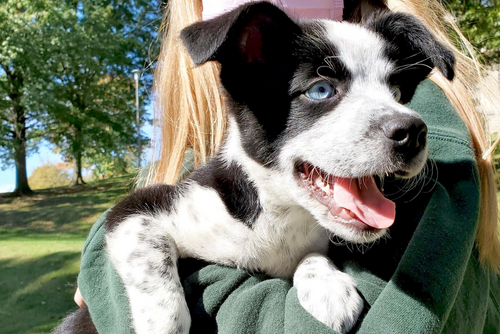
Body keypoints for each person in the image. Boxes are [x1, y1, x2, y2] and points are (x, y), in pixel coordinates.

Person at [64, 0, 500, 333]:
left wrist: (313, 267)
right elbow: (133, 221)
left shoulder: (441, 164)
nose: (399, 119)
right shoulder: (216, 197)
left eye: (393, 88)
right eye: (323, 89)